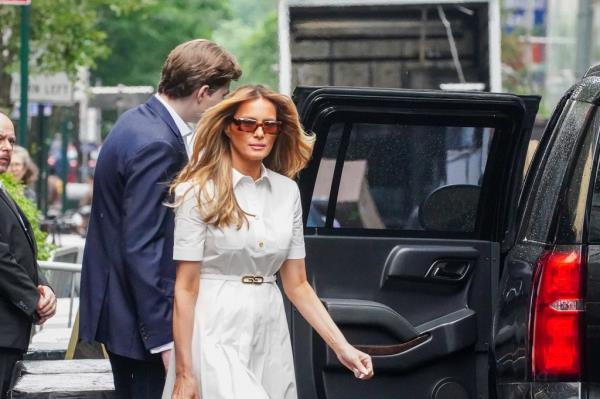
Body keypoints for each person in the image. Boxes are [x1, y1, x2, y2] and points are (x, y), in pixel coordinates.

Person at [162, 85, 374, 399]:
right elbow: (185, 287)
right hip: (213, 326)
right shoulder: (197, 192)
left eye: (270, 125)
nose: (259, 133)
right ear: (228, 128)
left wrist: (342, 348)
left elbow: (298, 285)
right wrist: (184, 373)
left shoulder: (287, 192)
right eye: (248, 124)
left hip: (269, 325)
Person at [79, 39, 241, 399]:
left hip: (122, 309)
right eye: (222, 95)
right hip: (139, 323)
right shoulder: (158, 144)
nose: (222, 105)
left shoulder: (137, 121)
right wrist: (166, 340)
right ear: (202, 93)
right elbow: (144, 245)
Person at [0, 113, 57, 398]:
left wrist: (44, 286)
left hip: (11, 334)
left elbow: (21, 250)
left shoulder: (4, 191)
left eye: (11, 140)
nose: (7, 147)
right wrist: (33, 299)